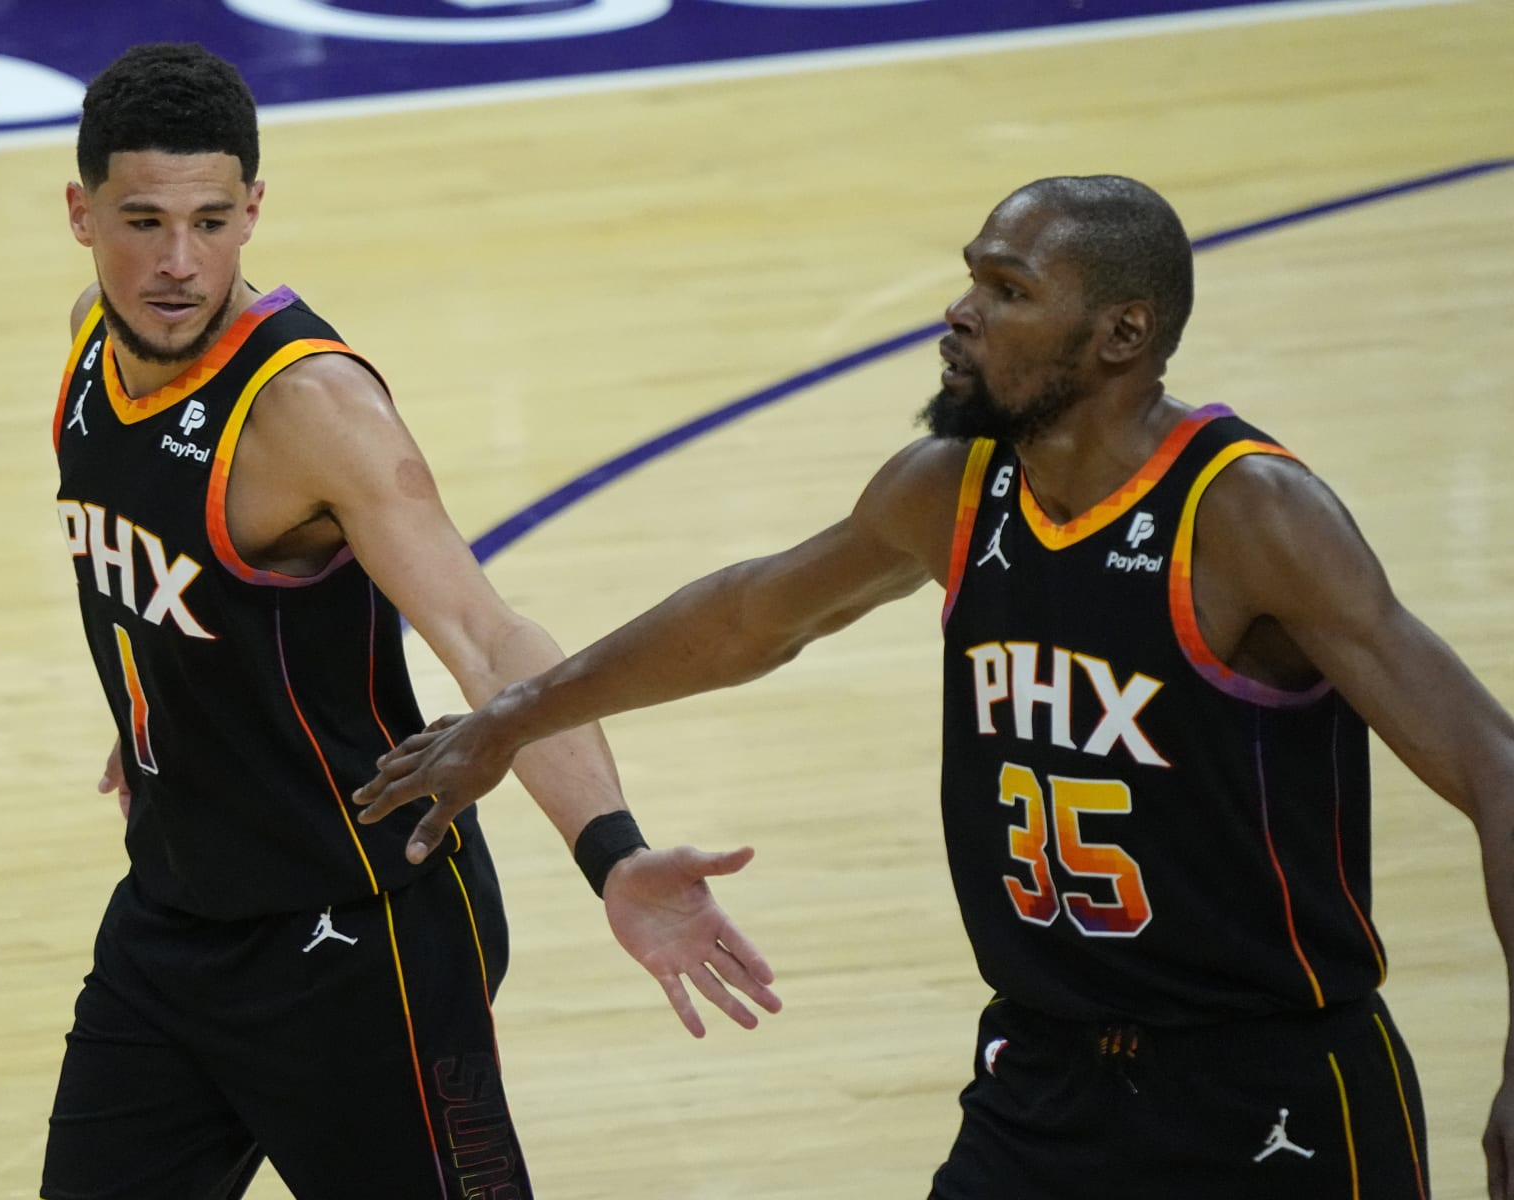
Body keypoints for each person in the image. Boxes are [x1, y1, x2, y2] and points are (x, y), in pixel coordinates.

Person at [356, 175, 1514, 1197]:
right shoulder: (952, 488)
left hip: (1263, 1090)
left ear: (1121, 333)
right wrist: (512, 720)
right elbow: (752, 617)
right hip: (1042, 1078)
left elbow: (1496, 771)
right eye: (971, 278)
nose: (959, 313)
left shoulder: (1250, 517)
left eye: (1008, 292)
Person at [41, 42, 780, 1200]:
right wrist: (186, 689)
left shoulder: (311, 409)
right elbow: (170, 569)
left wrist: (614, 853)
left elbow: (489, 638)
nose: (179, 263)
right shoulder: (96, 336)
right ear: (81, 215)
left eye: (213, 220)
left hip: (357, 938)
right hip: (172, 923)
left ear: (254, 210)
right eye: (142, 221)